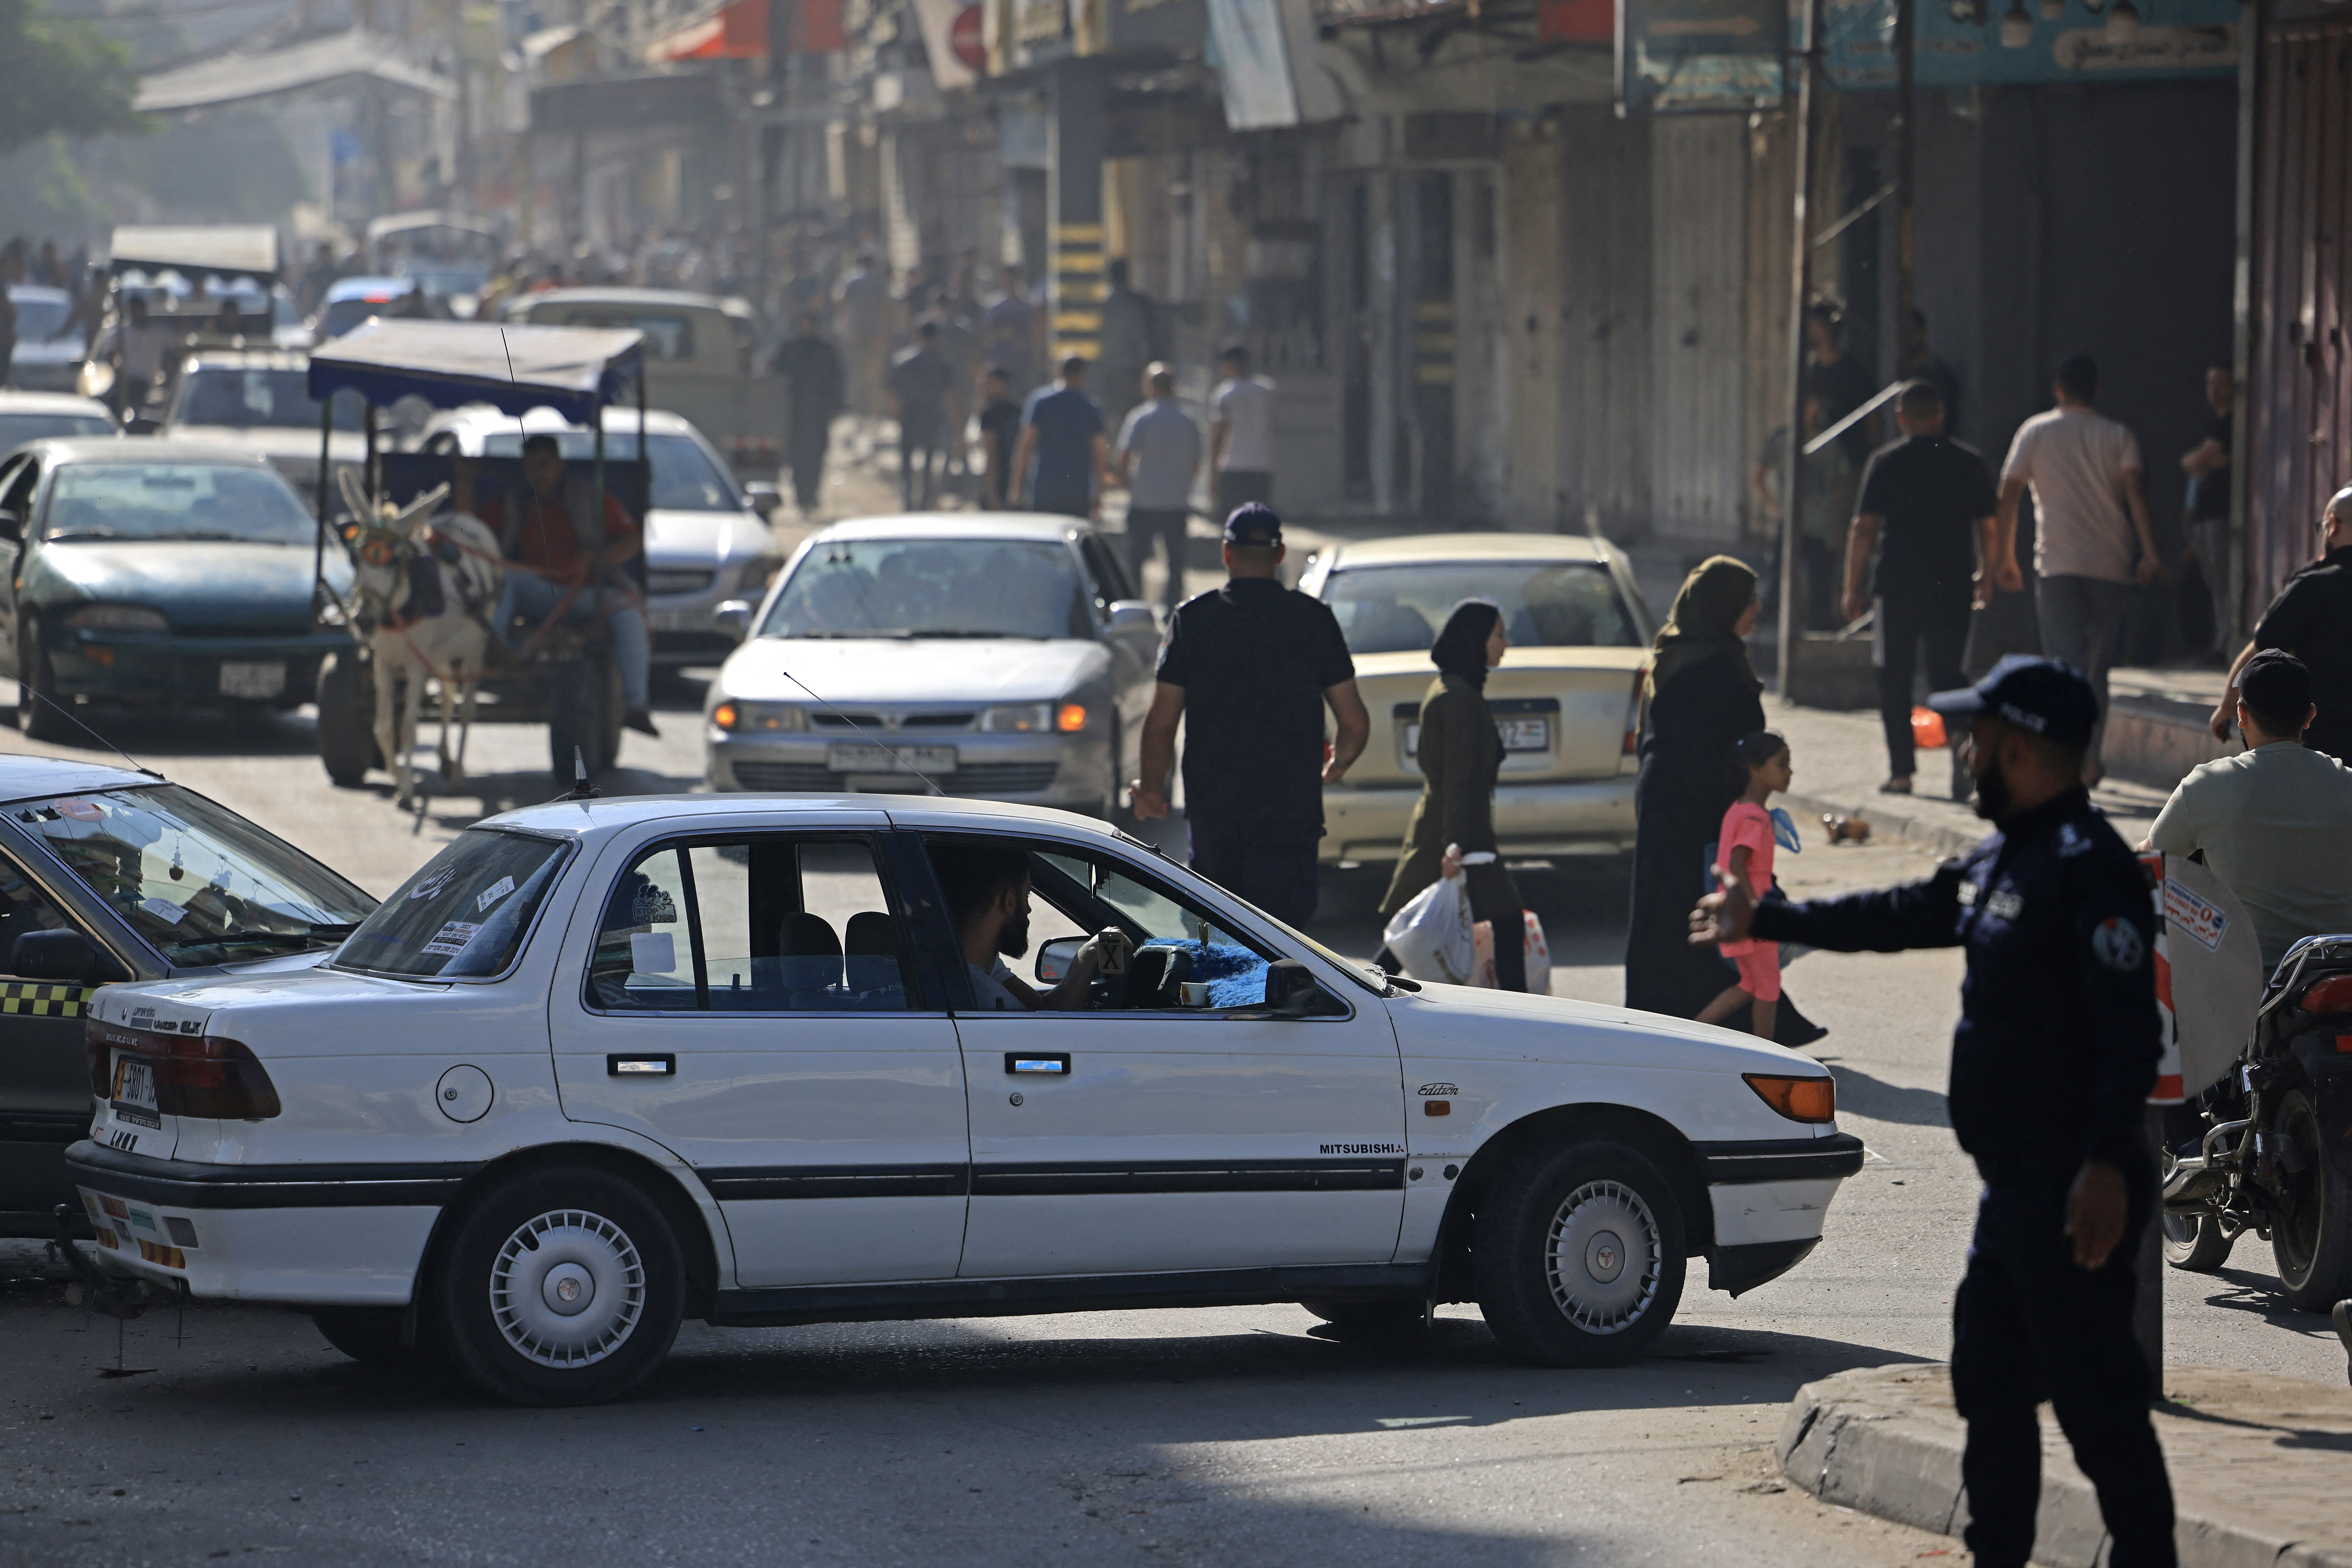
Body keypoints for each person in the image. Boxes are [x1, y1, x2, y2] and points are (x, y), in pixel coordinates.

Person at [1691, 655, 2175, 1568]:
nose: (1966, 756)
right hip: (2015, 1190)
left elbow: (2129, 1038)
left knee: (2094, 1401)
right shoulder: (2004, 854)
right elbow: (1902, 910)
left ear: (2024, 750)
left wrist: (2108, 1164)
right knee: (1988, 1378)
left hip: (2077, 1182)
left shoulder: (2091, 870)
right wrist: (1771, 920)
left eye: (1980, 742)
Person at [1132, 504, 1370, 928]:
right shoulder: (1314, 620)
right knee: (1284, 943)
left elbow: (1162, 722)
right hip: (1290, 813)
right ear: (1279, 556)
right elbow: (1353, 721)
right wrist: (1339, 763)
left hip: (1216, 814)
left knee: (1219, 935)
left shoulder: (1193, 620)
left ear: (1226, 553)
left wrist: (1151, 788)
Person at [1995, 354, 2162, 784]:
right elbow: (2135, 494)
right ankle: (2087, 760)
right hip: (2110, 564)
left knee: (2064, 664)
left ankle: (2065, 758)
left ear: (2057, 388)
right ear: (2096, 390)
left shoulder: (2034, 432)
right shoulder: (2117, 435)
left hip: (2057, 564)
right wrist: (2148, 551)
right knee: (2096, 669)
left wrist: (2004, 556)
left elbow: (2008, 493)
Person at [2147, 651, 2352, 976]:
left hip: (2244, 986)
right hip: (2339, 975)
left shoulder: (2208, 784)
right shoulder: (2347, 782)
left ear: (2240, 714)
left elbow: (2150, 861)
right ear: (2310, 716)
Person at [1624, 558, 1768, 1019]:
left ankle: (1686, 1016)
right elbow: (1700, 752)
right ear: (1723, 606)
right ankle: (1696, 1020)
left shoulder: (1694, 652)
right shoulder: (1705, 667)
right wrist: (1730, 817)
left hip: (1674, 799)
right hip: (1687, 806)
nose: (1757, 610)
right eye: (1748, 601)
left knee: (1677, 914)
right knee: (1686, 915)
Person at [1844, 380, 2001, 798]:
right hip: (1950, 584)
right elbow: (1987, 525)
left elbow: (1863, 528)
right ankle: (1958, 744)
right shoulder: (1968, 463)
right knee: (1947, 673)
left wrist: (1851, 586)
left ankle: (1900, 773)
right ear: (1939, 416)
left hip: (1895, 585)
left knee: (1892, 675)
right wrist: (1986, 574)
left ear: (1900, 419)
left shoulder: (1885, 462)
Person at [1377, 600, 1529, 994]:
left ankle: (1368, 989)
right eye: (1497, 634)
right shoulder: (1459, 697)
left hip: (1452, 827)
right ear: (1473, 640)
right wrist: (1456, 843)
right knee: (1499, 923)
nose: (1504, 644)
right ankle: (1522, 1016)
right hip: (1457, 831)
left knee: (1417, 926)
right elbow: (1459, 777)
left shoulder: (1453, 688)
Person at [478, 433, 657, 738]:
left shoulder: (589, 497)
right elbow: (472, 528)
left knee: (627, 612)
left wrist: (603, 560)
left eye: (545, 465)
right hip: (534, 592)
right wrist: (466, 484)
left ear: (560, 466)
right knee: (506, 577)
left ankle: (635, 705)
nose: (540, 473)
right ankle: (497, 649)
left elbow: (634, 537)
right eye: (532, 466)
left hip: (584, 591)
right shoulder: (513, 502)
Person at [2208, 486, 2352, 766]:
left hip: (2326, 744)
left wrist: (2227, 706)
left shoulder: (2314, 586)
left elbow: (2261, 651)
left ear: (2332, 526)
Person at [928, 840, 1131, 1011]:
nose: (1028, 910)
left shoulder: (977, 966)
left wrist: (1089, 954)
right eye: (1026, 896)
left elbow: (1046, 1012)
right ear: (1009, 902)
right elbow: (1051, 1032)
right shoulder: (975, 990)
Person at [1697, 730, 1794, 1035]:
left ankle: (1691, 1031)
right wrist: (1758, 911)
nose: (1790, 772)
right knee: (1768, 990)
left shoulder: (1738, 810)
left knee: (1751, 986)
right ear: (1756, 770)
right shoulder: (1754, 818)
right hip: (1750, 915)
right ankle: (1767, 1060)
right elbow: (1738, 863)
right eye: (1782, 764)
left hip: (1734, 912)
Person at [1754, 409, 1856, 632]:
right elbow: (1759, 476)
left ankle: (1817, 630)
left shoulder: (1830, 443)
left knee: (1821, 586)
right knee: (1779, 581)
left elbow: (1837, 488)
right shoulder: (1782, 441)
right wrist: (1775, 510)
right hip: (1792, 524)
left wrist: (1838, 526)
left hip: (1822, 525)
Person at [1116, 364, 1201, 611]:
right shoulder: (1188, 419)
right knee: (1176, 561)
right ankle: (1171, 608)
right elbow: (1196, 462)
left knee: (1136, 559)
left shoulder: (1141, 417)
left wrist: (1125, 482)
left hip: (1144, 499)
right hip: (1176, 500)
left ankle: (1134, 606)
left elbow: (1124, 455)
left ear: (1150, 387)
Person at [2179, 363, 2234, 656]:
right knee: (2213, 580)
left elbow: (2196, 462)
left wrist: (2199, 461)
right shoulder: (2215, 424)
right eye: (2210, 385)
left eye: (2221, 384)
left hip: (2220, 515)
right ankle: (2221, 638)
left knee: (2224, 579)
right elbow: (2192, 464)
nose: (2215, 392)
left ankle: (2225, 641)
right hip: (2206, 514)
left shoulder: (2228, 424)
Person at [1011, 356, 1109, 518]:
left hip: (1044, 489)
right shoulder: (1090, 406)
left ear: (1058, 372)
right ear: (1082, 375)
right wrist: (1100, 492)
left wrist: (1017, 487)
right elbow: (1100, 451)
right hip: (1078, 491)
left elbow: (1025, 446)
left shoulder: (1041, 401)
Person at [772, 311, 845, 516]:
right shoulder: (789, 349)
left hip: (818, 413)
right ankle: (800, 496)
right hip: (794, 413)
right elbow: (775, 377)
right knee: (796, 456)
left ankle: (812, 494)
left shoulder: (825, 351)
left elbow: (836, 380)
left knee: (816, 455)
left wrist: (836, 407)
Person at [887, 320, 954, 511]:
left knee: (907, 461)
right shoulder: (942, 363)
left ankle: (908, 501)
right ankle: (925, 502)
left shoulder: (903, 361)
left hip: (909, 416)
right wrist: (956, 422)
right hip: (933, 417)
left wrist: (895, 414)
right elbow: (949, 395)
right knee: (928, 462)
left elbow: (891, 391)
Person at [1805, 303, 1878, 470]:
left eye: (1816, 326)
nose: (1811, 331)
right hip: (1826, 463)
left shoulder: (1852, 371)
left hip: (1852, 459)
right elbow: (1811, 415)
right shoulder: (1815, 371)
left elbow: (1873, 418)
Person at [1210, 344, 1277, 516]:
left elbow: (1219, 435)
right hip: (1262, 466)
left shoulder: (1224, 393)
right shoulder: (1267, 389)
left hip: (1233, 466)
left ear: (1228, 365)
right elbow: (1273, 424)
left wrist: (1213, 472)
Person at [1096, 259, 1159, 435]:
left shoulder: (1102, 304)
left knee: (1110, 414)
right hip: (1132, 369)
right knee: (1130, 415)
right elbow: (1144, 339)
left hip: (1110, 369)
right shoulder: (1138, 303)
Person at [93, 293, 175, 418]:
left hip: (148, 384)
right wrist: (117, 370)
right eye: (134, 311)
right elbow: (109, 355)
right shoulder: (122, 333)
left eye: (139, 310)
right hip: (127, 383)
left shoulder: (157, 333)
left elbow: (175, 348)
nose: (137, 314)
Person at [834, 252, 888, 417]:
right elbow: (887, 307)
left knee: (857, 375)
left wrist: (844, 324)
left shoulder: (850, 280)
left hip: (855, 335)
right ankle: (875, 415)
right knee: (875, 377)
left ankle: (859, 415)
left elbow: (839, 300)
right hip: (875, 335)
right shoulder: (878, 282)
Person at [981, 265, 1037, 397]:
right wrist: (1002, 334)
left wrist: (1026, 340)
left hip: (1022, 362)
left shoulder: (1027, 306)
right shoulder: (994, 306)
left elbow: (1033, 332)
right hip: (1000, 363)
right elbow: (986, 335)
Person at [974, 366, 1023, 510]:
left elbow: (991, 455)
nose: (985, 388)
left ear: (1002, 384)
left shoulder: (990, 415)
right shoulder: (1019, 411)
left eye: (989, 384)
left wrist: (991, 493)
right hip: (1017, 481)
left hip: (999, 483)